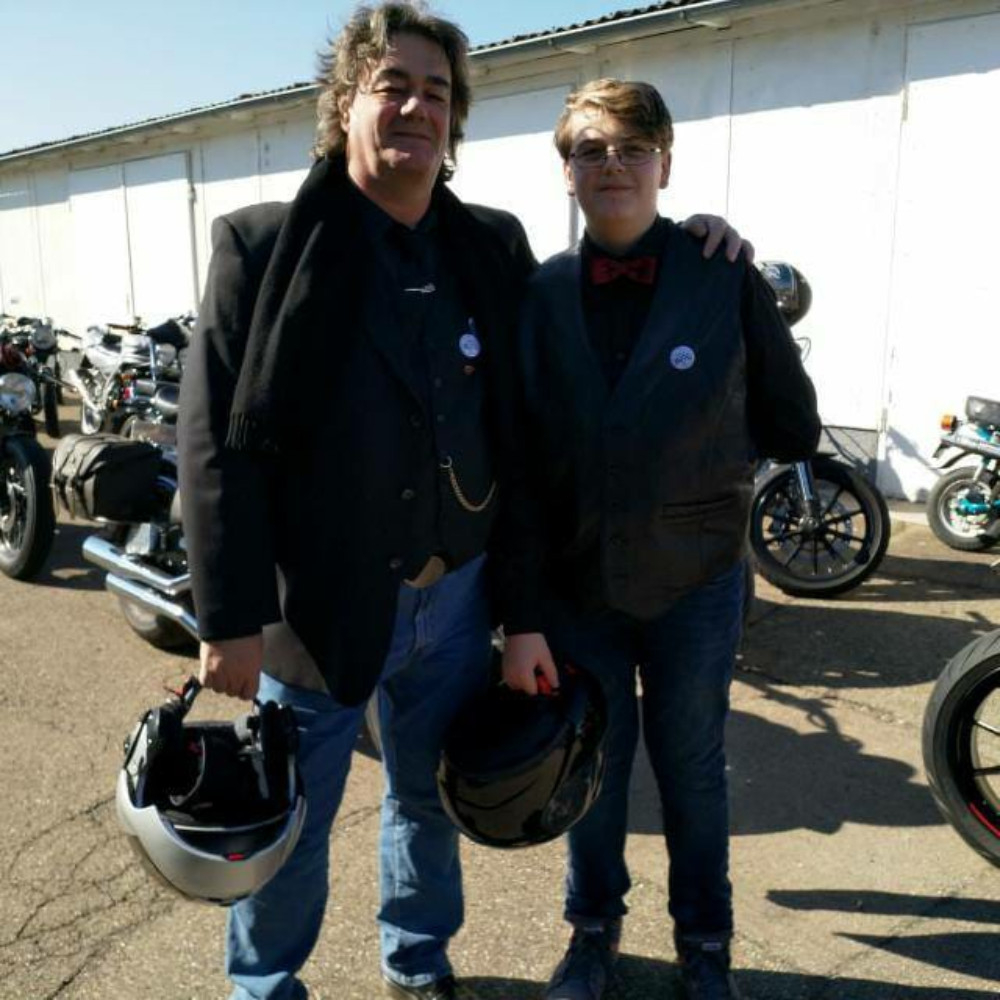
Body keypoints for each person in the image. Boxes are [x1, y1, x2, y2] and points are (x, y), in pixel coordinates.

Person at [178, 4, 748, 997]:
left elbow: (522, 439)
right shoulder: (262, 246)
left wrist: (521, 616)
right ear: (345, 105)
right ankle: (265, 986)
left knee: (425, 803)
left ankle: (417, 961)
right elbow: (214, 449)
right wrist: (228, 618)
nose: (416, 107)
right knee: (292, 815)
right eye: (392, 86)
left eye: (436, 92)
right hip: (317, 608)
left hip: (456, 601)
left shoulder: (489, 244)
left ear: (455, 119)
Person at [498, 79, 821, 1000]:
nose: (613, 165)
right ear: (566, 172)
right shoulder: (539, 294)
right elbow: (518, 469)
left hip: (696, 583)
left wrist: (703, 460)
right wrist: (521, 615)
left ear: (665, 166)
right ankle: (592, 934)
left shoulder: (723, 274)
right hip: (578, 587)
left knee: (692, 771)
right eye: (590, 150)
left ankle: (705, 945)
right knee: (589, 770)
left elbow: (793, 424)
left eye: (633, 149)